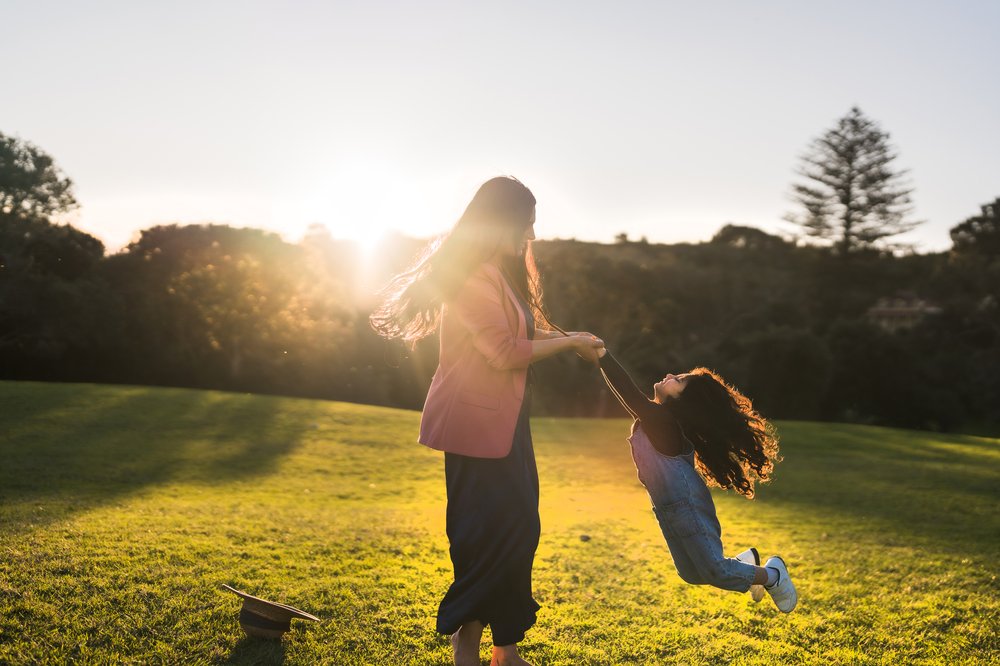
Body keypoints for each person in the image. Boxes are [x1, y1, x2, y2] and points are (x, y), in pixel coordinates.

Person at [371, 176, 604, 666]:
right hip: (474, 428)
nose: (532, 236)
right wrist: (567, 344)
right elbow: (503, 352)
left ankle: (504, 649)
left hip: (507, 424)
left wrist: (573, 335)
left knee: (518, 529)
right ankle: (466, 648)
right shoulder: (473, 277)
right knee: (483, 536)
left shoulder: (498, 274)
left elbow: (516, 331)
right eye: (527, 225)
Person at [593, 347, 797, 612]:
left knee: (716, 571)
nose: (668, 375)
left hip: (687, 506)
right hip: (668, 509)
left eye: (676, 380)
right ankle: (746, 562)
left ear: (683, 401)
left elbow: (627, 392)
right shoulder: (656, 419)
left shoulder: (661, 422)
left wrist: (602, 356)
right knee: (689, 573)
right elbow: (629, 398)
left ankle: (773, 575)